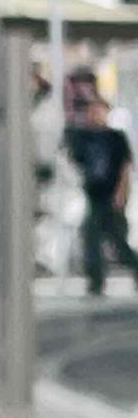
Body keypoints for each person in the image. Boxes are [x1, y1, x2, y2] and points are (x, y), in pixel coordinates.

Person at [66, 97, 138, 296]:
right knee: (92, 237)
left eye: (99, 111)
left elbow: (126, 167)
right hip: (94, 196)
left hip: (111, 196)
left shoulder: (115, 137)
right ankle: (95, 281)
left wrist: (121, 193)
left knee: (117, 241)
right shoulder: (82, 137)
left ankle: (124, 273)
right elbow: (73, 158)